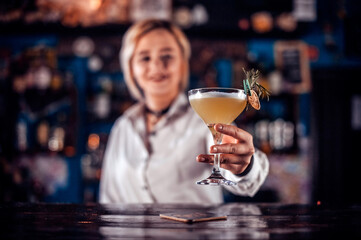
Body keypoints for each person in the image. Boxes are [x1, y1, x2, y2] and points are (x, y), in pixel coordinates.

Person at [99, 19, 269, 204]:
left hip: (194, 232)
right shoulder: (123, 126)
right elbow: (109, 197)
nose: (156, 66)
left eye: (167, 56)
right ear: (131, 67)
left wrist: (245, 166)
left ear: (182, 63)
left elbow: (246, 177)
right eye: (145, 58)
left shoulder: (203, 116)